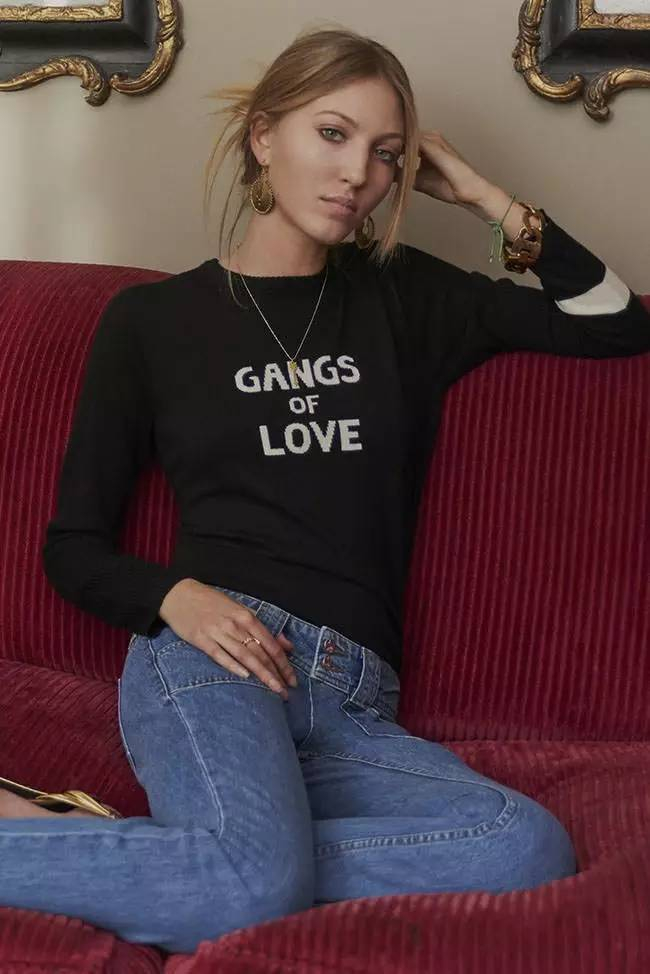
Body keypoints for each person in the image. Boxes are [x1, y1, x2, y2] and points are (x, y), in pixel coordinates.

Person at [2, 24, 649, 957]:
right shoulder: (151, 322)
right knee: (249, 878)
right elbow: (72, 547)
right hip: (217, 657)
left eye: (386, 153)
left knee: (522, 845)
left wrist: (482, 195)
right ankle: (223, 867)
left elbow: (615, 324)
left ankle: (136, 854)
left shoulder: (403, 297)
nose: (359, 175)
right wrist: (179, 598)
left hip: (350, 699)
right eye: (333, 134)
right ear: (264, 136)